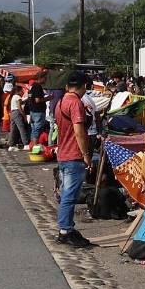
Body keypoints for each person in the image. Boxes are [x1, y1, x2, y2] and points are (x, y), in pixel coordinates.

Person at [54, 72, 94, 249]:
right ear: (84, 85)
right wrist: (86, 154)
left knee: (66, 194)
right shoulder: (76, 103)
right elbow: (79, 131)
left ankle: (66, 229)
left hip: (63, 153)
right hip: (73, 155)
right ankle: (65, 231)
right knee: (70, 196)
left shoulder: (61, 101)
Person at [8, 82, 30, 150]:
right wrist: (24, 116)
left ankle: (11, 145)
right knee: (21, 128)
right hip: (17, 113)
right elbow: (19, 107)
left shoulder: (14, 96)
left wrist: (27, 99)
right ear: (18, 91)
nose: (23, 92)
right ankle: (26, 144)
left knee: (13, 129)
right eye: (22, 91)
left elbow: (21, 103)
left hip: (12, 113)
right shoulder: (17, 96)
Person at [26, 77, 48, 143]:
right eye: (45, 78)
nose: (46, 80)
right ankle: (35, 146)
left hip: (33, 111)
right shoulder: (38, 86)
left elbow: (30, 99)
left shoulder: (32, 87)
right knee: (37, 129)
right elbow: (37, 100)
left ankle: (32, 145)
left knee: (34, 129)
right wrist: (48, 98)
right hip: (38, 111)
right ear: (41, 78)